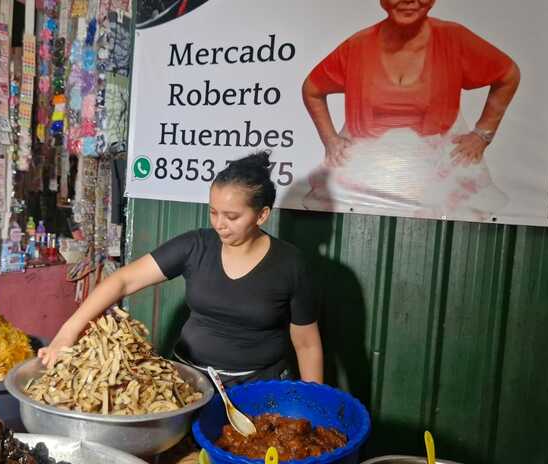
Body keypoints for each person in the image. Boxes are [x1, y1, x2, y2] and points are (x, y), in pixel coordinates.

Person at [38, 151, 323, 386]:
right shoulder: (196, 245)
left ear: (262, 215)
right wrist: (68, 331)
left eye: (232, 216)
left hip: (258, 388)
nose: (219, 224)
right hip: (191, 381)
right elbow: (123, 281)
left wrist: (315, 401)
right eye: (213, 212)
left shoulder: (289, 264)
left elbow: (307, 345)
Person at [301, 0, 521, 219]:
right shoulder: (358, 45)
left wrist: (483, 134)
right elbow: (312, 89)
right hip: (366, 151)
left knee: (452, 201)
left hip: (439, 150)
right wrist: (330, 140)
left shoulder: (454, 38)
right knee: (339, 198)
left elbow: (507, 75)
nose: (409, 1)